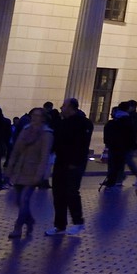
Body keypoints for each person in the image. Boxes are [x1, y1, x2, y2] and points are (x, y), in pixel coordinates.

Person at [46, 97, 93, 236]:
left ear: (71, 107)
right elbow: (56, 141)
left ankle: (78, 222)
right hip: (61, 161)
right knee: (58, 193)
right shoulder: (61, 123)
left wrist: (75, 162)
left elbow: (82, 145)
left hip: (74, 163)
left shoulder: (82, 123)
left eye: (64, 105)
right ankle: (60, 225)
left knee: (71, 192)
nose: (61, 108)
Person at [6, 106, 51, 239]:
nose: (35, 118)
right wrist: (10, 167)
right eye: (33, 115)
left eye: (38, 116)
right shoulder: (26, 130)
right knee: (18, 201)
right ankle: (30, 220)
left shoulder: (46, 134)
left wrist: (40, 174)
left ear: (43, 118)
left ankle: (18, 227)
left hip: (33, 171)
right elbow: (16, 150)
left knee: (24, 199)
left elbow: (44, 156)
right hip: (20, 170)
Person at [103, 102, 137, 188]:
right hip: (123, 144)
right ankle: (119, 178)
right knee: (122, 161)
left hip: (120, 144)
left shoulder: (125, 118)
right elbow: (132, 133)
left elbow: (131, 133)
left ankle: (118, 178)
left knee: (122, 161)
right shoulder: (127, 119)